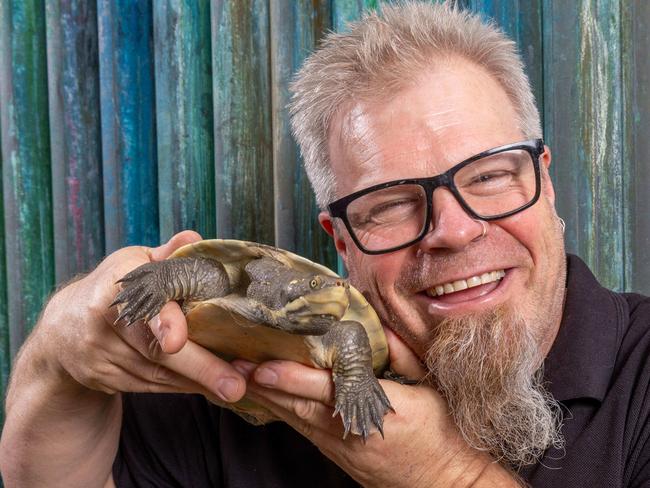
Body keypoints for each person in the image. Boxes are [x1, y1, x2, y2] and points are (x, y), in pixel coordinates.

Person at [1, 2, 649, 486]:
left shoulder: (641, 373)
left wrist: (448, 476)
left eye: (489, 175)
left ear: (545, 179)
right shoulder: (230, 389)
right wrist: (56, 362)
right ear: (340, 240)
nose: (453, 230)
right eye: (393, 204)